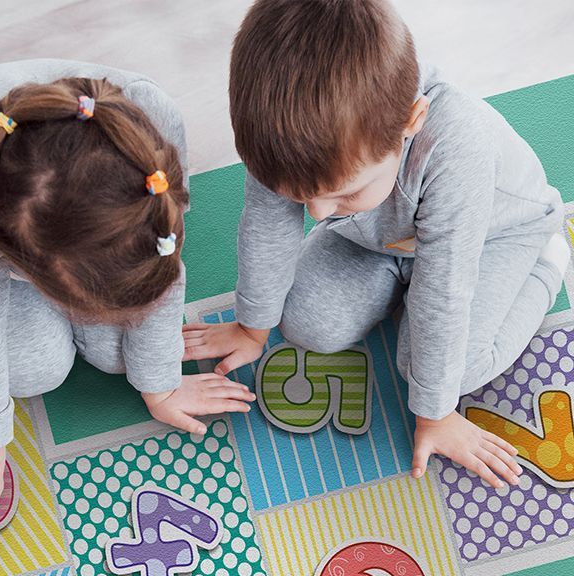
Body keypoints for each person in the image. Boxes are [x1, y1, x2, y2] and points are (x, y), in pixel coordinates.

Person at [184, 0, 569, 489]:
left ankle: (548, 264)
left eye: (342, 192)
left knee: (450, 368)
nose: (316, 213)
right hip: (382, 237)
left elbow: (443, 294)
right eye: (304, 198)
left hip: (495, 235)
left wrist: (436, 414)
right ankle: (389, 273)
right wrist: (252, 326)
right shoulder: (282, 134)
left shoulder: (457, 148)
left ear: (411, 120)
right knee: (305, 322)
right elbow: (266, 224)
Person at [0, 60, 254, 533]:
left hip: (65, 236)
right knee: (33, 370)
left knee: (122, 357)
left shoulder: (153, 125)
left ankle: (108, 313)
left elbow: (163, 262)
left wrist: (161, 382)